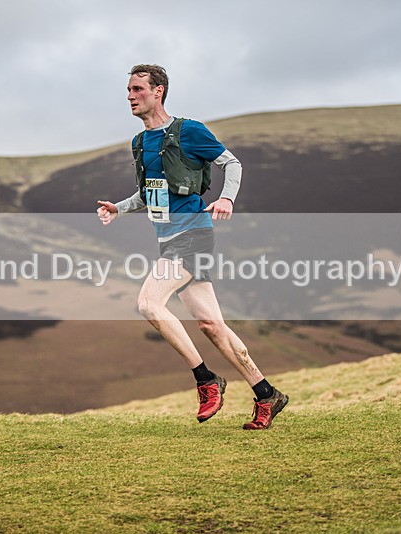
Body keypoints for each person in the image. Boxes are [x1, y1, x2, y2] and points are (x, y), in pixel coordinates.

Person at [97, 64, 288, 430]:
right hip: (168, 240)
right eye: (128, 90)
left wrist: (227, 199)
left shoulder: (189, 131)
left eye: (137, 89)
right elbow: (149, 194)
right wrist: (118, 209)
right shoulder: (140, 143)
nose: (130, 96)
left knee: (149, 303)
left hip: (194, 236)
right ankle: (267, 394)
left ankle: (205, 380)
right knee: (212, 326)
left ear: (159, 91)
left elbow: (231, 163)